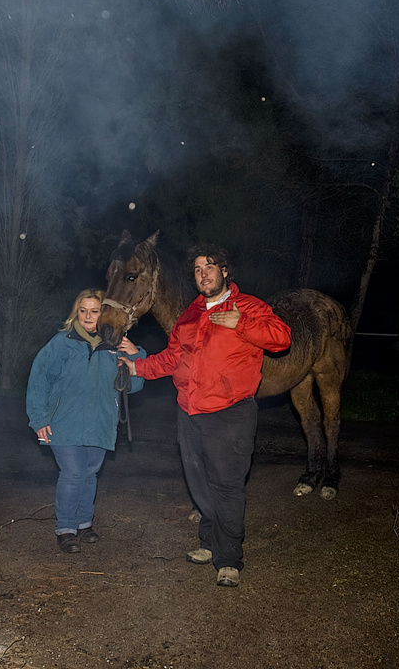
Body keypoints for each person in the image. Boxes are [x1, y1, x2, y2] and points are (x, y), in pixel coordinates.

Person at [122, 244, 291, 586]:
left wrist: (241, 323)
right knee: (199, 483)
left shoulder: (249, 307)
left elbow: (281, 338)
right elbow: (172, 359)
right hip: (189, 411)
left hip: (230, 413)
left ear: (225, 271)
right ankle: (209, 542)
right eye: (198, 269)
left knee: (226, 485)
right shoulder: (189, 314)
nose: (204, 274)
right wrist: (137, 366)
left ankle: (228, 558)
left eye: (210, 267)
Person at [27, 290, 145, 554]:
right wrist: (39, 419)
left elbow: (134, 386)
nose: (89, 316)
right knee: (73, 473)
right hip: (64, 422)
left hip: (101, 422)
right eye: (83, 310)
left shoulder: (115, 345)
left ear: (103, 313)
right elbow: (39, 380)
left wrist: (135, 354)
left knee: (90, 474)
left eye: (95, 311)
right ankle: (66, 528)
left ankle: (84, 523)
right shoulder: (62, 343)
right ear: (76, 313)